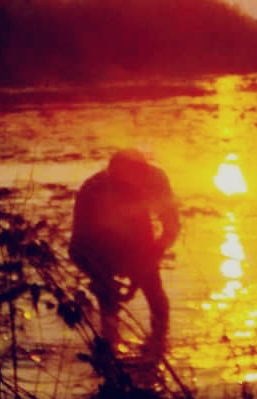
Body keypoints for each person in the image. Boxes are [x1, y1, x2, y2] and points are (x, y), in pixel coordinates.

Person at [69, 150, 180, 356]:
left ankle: (159, 342)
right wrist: (101, 277)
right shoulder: (94, 190)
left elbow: (171, 225)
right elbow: (78, 246)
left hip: (140, 241)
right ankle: (110, 342)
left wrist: (150, 258)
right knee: (108, 296)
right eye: (121, 184)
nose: (128, 187)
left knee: (155, 293)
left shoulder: (155, 180)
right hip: (100, 244)